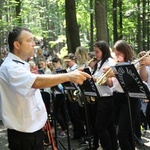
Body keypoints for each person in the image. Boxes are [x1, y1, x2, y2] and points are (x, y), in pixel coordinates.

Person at [0, 27, 91, 150]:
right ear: (17, 44)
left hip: (32, 132)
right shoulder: (10, 67)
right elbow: (35, 82)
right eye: (29, 40)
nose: (33, 44)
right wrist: (69, 76)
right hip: (24, 136)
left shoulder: (20, 65)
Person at [106, 40, 139, 150]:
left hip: (129, 98)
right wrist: (106, 76)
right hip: (117, 97)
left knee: (121, 134)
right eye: (115, 53)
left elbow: (135, 82)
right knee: (127, 132)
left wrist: (115, 73)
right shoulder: (115, 65)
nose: (116, 55)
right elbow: (111, 85)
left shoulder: (133, 64)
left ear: (125, 52)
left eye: (118, 53)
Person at [92, 40, 118, 150]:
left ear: (104, 51)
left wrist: (95, 78)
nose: (95, 54)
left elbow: (110, 83)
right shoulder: (100, 62)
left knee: (100, 127)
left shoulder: (110, 62)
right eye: (94, 51)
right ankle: (113, 146)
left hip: (108, 98)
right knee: (109, 126)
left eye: (97, 52)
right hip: (101, 98)